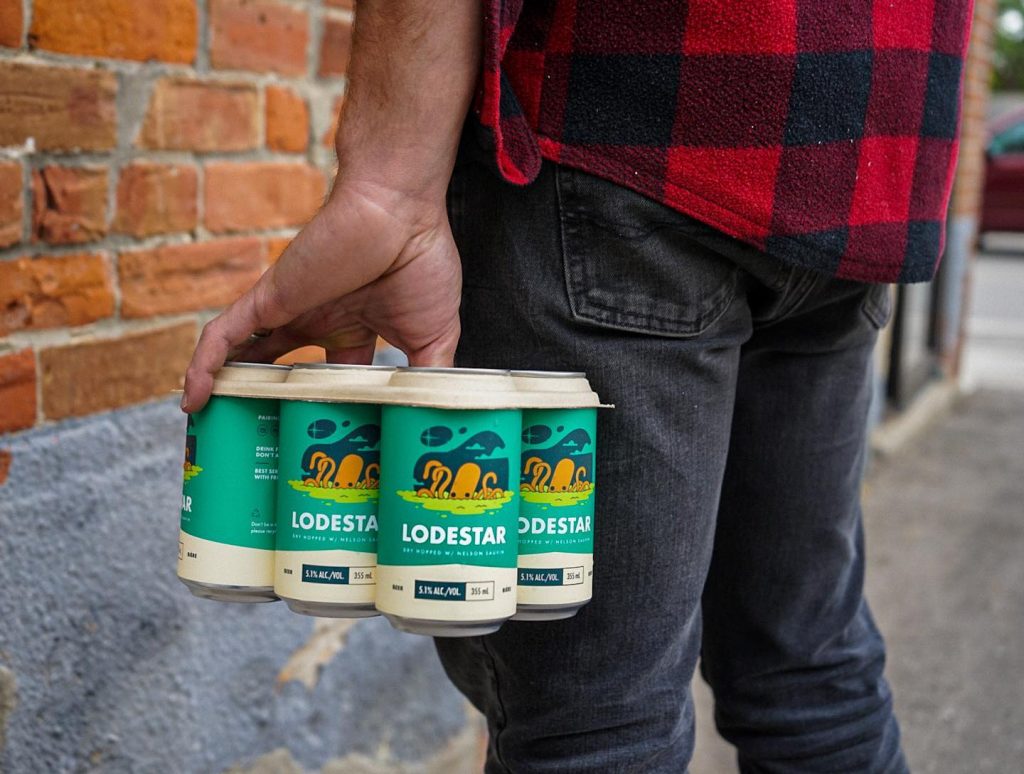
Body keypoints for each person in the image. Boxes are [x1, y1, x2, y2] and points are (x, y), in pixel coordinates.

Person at [182, 1, 972, 770]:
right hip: (865, 173)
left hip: (628, 135)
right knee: (809, 667)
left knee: (597, 724)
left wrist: (387, 188)